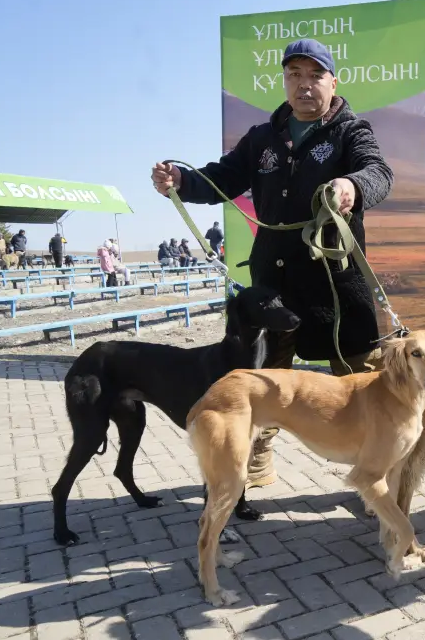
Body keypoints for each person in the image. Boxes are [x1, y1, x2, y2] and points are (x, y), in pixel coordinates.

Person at [151, 37, 393, 488]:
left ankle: (379, 471)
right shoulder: (262, 138)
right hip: (273, 288)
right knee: (264, 384)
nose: (304, 86)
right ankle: (256, 460)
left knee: (365, 385)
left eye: (314, 75)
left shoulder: (351, 131)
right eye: (294, 75)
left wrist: (351, 187)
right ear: (284, 81)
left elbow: (378, 172)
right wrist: (183, 180)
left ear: (332, 81)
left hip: (336, 289)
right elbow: (223, 177)